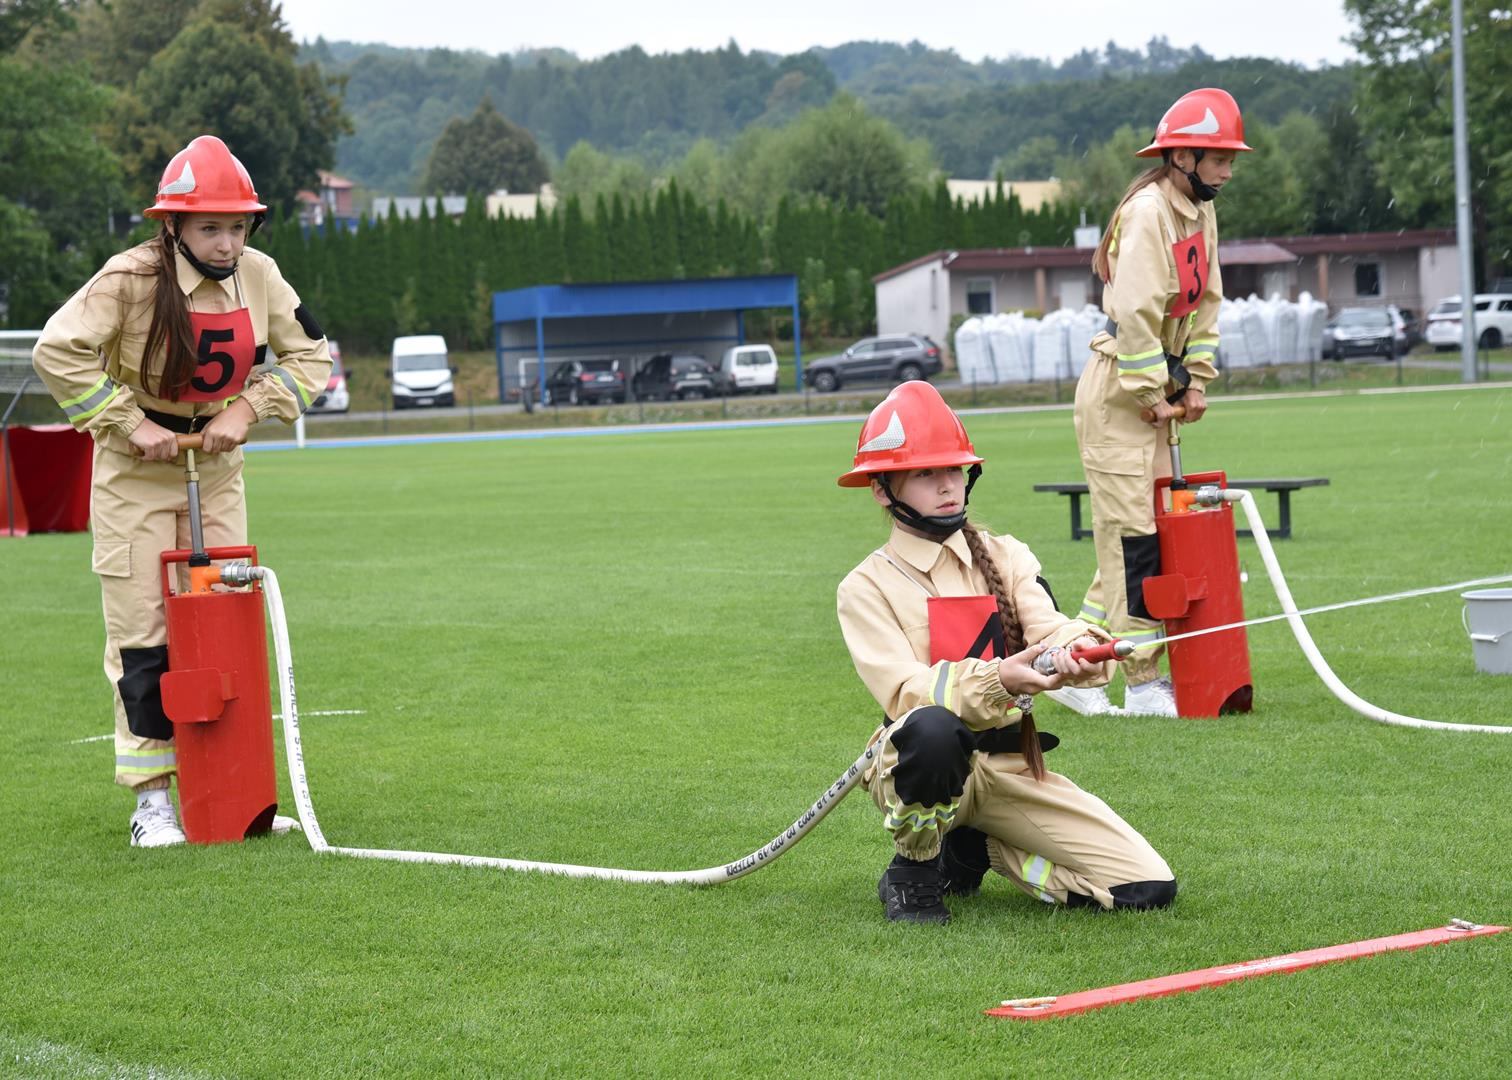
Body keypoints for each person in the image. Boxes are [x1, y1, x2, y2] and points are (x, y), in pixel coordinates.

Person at [32, 135, 332, 847]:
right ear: (172, 226)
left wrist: (248, 408)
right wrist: (129, 421)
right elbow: (57, 351)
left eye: (238, 227)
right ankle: (154, 802)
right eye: (210, 228)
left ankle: (232, 793)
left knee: (224, 630)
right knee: (144, 640)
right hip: (133, 476)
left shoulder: (260, 274)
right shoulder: (129, 278)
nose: (227, 243)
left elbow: (311, 355)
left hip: (217, 471)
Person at [835, 381, 1177, 924]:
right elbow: (908, 694)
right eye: (925, 473)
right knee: (932, 730)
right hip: (916, 767)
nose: (947, 485)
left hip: (1011, 767)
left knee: (1147, 888)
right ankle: (915, 870)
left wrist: (1078, 649)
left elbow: (1050, 626)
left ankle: (976, 849)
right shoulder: (864, 587)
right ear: (881, 489)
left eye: (955, 470)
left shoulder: (1007, 555)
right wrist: (1002, 679)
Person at [1051, 87, 1252, 718]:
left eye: (1230, 159)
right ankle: (1141, 682)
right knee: (1134, 542)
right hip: (1120, 393)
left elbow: (1207, 302)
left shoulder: (1199, 210)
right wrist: (1152, 392)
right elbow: (1135, 313)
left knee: (1141, 538)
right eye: (1220, 158)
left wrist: (1196, 382)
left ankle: (1076, 665)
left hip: (1156, 388)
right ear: (1183, 157)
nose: (1228, 171)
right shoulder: (1147, 214)